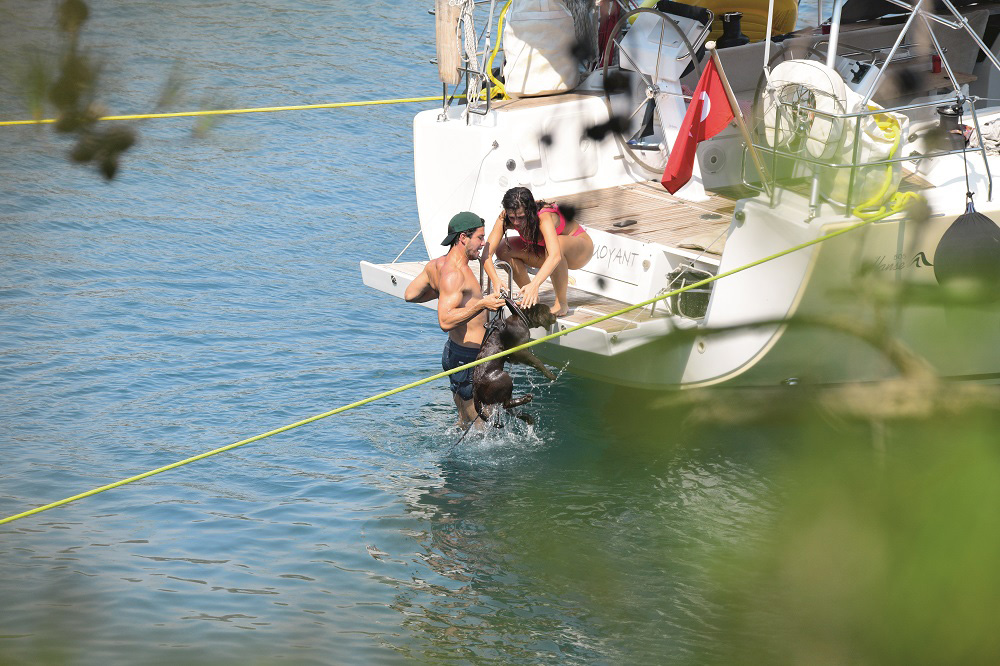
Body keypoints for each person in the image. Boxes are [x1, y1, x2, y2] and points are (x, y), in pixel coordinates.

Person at [405, 211, 505, 425]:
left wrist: (438, 292)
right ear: (463, 238)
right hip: (467, 359)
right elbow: (445, 321)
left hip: (455, 352)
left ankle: (457, 454)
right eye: (479, 237)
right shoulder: (455, 274)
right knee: (480, 425)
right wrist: (481, 304)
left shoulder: (437, 265)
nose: (483, 243)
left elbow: (410, 294)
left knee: (463, 421)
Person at [482, 186, 593, 317]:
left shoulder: (543, 217)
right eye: (512, 218)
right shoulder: (505, 217)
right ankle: (529, 296)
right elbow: (486, 253)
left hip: (580, 250)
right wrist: (495, 279)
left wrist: (535, 284)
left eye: (521, 217)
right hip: (548, 251)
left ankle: (561, 302)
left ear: (530, 211)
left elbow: (555, 256)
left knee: (557, 244)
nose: (516, 222)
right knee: (503, 248)